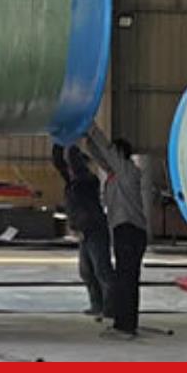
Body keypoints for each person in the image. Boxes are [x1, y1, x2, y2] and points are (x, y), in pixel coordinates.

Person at [84, 123, 148, 339]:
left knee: (126, 280)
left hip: (129, 231)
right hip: (126, 232)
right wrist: (87, 141)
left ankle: (126, 327)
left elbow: (107, 150)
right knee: (126, 279)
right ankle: (125, 323)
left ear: (120, 155)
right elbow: (101, 157)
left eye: (114, 154)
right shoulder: (116, 174)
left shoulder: (126, 170)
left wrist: (91, 127)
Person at [52, 143, 114, 321]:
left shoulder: (88, 181)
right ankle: (97, 305)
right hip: (84, 232)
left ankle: (111, 308)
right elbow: (59, 164)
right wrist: (58, 143)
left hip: (95, 230)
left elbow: (73, 166)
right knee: (86, 271)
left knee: (102, 270)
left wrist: (70, 146)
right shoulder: (72, 182)